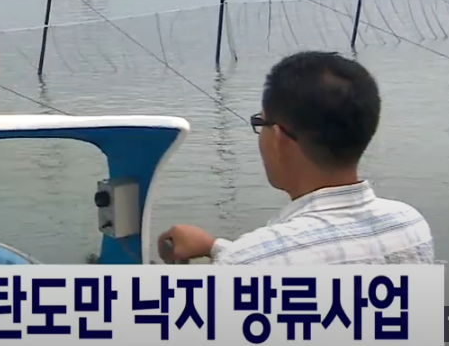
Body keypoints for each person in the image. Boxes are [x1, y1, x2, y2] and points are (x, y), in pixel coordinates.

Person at [158, 51, 434, 265]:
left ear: (279, 138)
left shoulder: (248, 261)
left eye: (260, 122)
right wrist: (213, 247)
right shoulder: (410, 224)